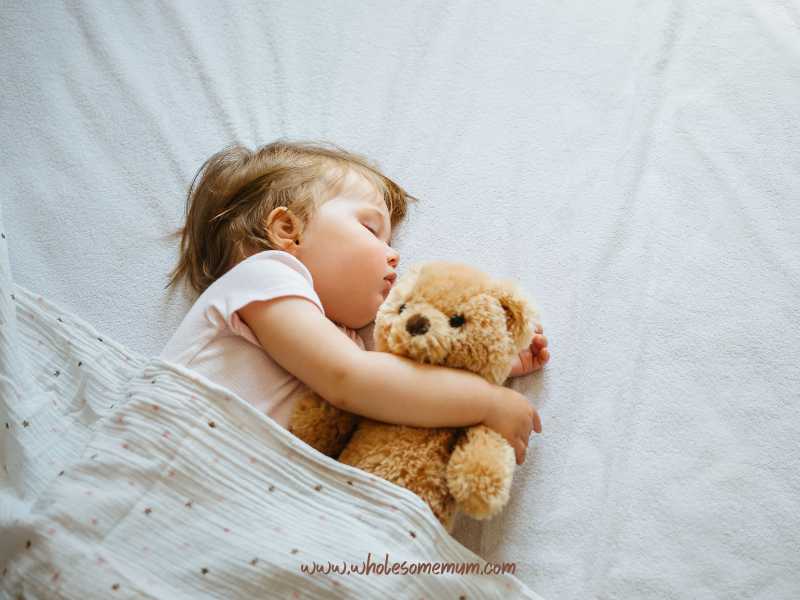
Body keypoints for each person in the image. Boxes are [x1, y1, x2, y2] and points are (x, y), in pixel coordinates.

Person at [160, 140, 549, 464]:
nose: (393, 256)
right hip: (172, 461)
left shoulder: (344, 338)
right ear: (287, 231)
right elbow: (351, 379)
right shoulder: (265, 277)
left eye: (391, 243)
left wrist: (480, 363)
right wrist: (485, 401)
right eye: (370, 229)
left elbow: (397, 381)